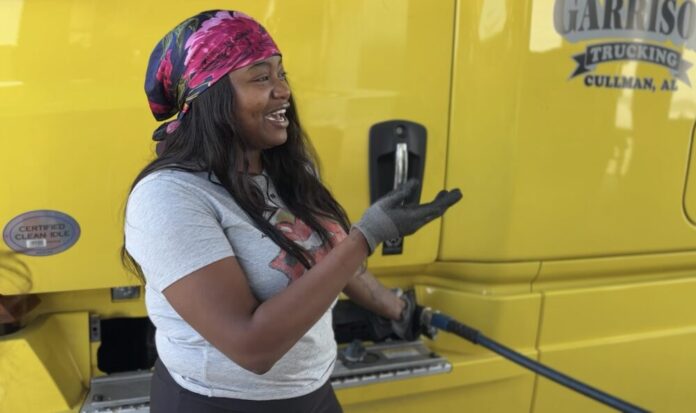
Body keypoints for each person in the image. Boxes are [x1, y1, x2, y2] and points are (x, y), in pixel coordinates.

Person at [123, 10, 461, 413]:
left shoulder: (289, 170)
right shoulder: (169, 197)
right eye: (261, 78)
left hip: (312, 393)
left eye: (282, 75)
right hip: (217, 404)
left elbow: (328, 263)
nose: (283, 91)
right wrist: (367, 237)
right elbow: (251, 346)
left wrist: (400, 311)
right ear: (210, 96)